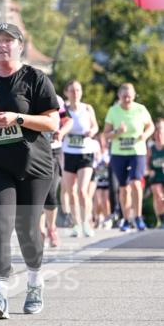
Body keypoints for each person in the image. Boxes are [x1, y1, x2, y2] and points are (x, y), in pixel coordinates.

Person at [0, 23, 60, 319]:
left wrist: (18, 118)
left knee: (27, 230)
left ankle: (35, 284)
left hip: (33, 168)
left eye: (8, 41)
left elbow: (52, 123)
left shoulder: (36, 79)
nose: (2, 46)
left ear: (20, 46)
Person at [103, 83, 154, 232]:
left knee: (136, 183)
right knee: (124, 188)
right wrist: (117, 132)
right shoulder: (113, 111)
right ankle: (125, 219)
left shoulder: (141, 109)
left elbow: (150, 126)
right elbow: (105, 135)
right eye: (124, 96)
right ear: (119, 96)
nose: (127, 99)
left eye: (130, 96)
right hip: (119, 153)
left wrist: (145, 135)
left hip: (137, 151)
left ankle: (138, 217)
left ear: (134, 95)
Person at [59, 80, 99, 237]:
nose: (75, 93)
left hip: (85, 153)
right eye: (72, 90)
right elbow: (58, 125)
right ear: (66, 93)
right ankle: (76, 224)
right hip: (69, 153)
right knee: (71, 191)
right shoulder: (64, 110)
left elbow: (95, 126)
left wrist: (92, 132)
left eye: (78, 90)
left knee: (83, 190)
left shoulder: (87, 108)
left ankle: (86, 223)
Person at [40, 94, 65, 248]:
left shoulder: (56, 99)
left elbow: (67, 120)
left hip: (52, 151)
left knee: (50, 193)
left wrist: (61, 132)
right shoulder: (23, 95)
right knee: (35, 193)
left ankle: (52, 228)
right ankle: (39, 230)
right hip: (32, 151)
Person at [146, 117, 164, 228]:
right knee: (157, 195)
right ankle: (161, 219)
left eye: (161, 132)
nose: (159, 135)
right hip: (155, 174)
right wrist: (149, 170)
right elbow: (146, 162)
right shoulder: (151, 148)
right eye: (157, 132)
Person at [92, 136, 112, 230]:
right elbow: (93, 167)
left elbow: (111, 164)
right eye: (99, 141)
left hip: (107, 180)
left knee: (106, 201)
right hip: (98, 180)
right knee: (98, 201)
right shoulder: (95, 153)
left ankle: (107, 218)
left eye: (103, 141)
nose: (101, 143)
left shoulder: (108, 153)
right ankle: (97, 218)